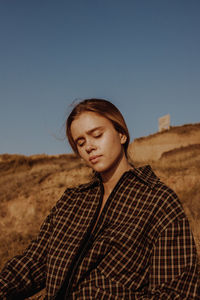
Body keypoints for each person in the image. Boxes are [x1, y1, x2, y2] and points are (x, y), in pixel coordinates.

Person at [0, 98, 199, 299]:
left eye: (97, 135)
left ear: (121, 134)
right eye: (81, 142)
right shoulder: (72, 202)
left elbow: (178, 292)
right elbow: (35, 262)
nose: (89, 147)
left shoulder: (158, 201)